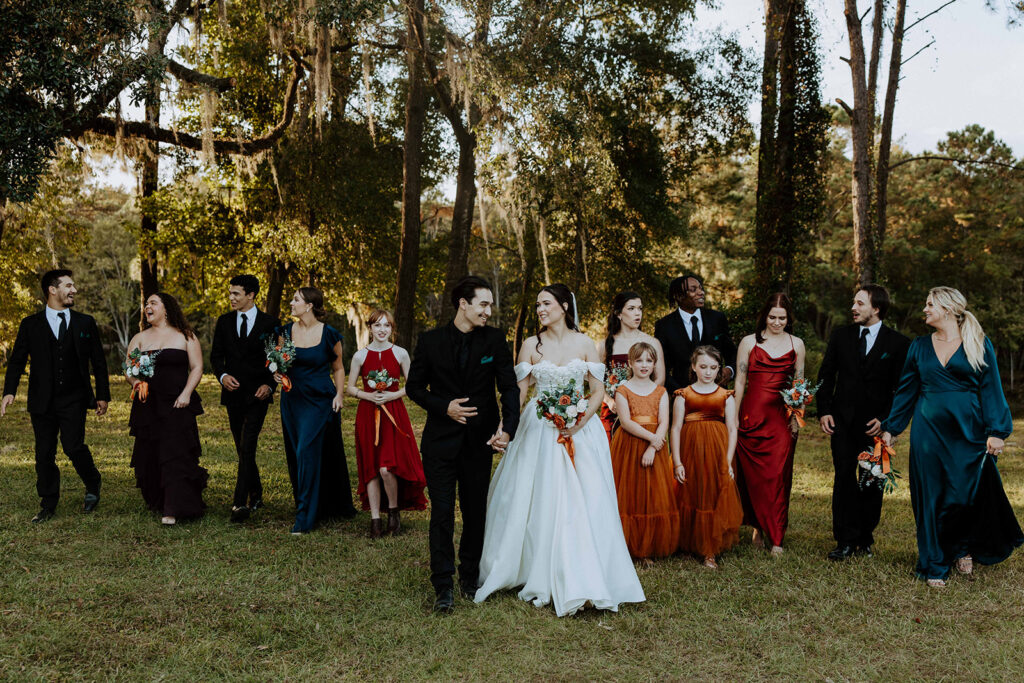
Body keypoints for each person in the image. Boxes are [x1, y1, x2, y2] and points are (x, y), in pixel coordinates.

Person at [474, 284, 645, 617]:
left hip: (580, 428)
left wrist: (580, 421)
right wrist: (506, 429)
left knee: (586, 498)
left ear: (564, 306)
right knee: (533, 494)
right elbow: (519, 393)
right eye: (537, 304)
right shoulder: (529, 346)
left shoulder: (584, 344)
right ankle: (528, 565)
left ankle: (585, 568)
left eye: (546, 303)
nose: (540, 309)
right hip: (538, 427)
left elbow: (597, 390)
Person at [881, 286, 1022, 588]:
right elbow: (906, 392)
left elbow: (991, 389)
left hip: (967, 432)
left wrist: (997, 431)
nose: (925, 309)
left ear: (946, 308)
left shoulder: (978, 343)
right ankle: (933, 562)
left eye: (930, 304)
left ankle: (961, 547)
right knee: (930, 496)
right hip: (927, 433)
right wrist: (891, 428)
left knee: (962, 494)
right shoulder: (918, 347)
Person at [406, 275, 521, 614]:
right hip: (440, 443)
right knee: (441, 514)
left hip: (479, 441)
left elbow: (509, 388)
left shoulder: (496, 340)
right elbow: (414, 388)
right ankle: (443, 585)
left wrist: (508, 427)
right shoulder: (430, 342)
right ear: (464, 304)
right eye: (483, 304)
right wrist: (445, 407)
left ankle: (469, 577)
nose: (489, 310)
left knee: (474, 513)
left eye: (490, 304)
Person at [2, 269, 109, 522]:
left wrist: (102, 395)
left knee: (73, 447)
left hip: (75, 397)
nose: (74, 290)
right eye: (69, 285)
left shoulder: (85, 322)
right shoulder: (30, 324)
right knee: (44, 453)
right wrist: (9, 391)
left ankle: (93, 483)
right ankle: (48, 503)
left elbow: (99, 362)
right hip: (42, 399)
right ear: (52, 290)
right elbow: (16, 361)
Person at [817, 285, 910, 561]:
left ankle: (865, 539)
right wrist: (824, 411)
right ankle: (844, 540)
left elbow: (901, 389)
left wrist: (886, 420)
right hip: (842, 424)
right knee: (843, 479)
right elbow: (826, 376)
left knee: (872, 480)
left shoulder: (898, 343)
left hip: (876, 428)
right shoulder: (841, 336)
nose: (853, 308)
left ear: (876, 308)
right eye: (853, 302)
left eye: (859, 303)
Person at [274, 287, 357, 535]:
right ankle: (317, 504)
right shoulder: (285, 333)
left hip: (321, 401)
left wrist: (339, 395)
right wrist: (278, 373)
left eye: (296, 299)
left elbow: (339, 368)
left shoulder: (330, 334)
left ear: (309, 305)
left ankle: (304, 516)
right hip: (292, 400)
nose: (291, 303)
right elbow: (279, 362)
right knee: (297, 453)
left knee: (306, 451)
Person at [733, 292, 806, 555]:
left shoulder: (796, 344)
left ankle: (777, 536)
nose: (777, 322)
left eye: (782, 318)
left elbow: (799, 384)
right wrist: (734, 414)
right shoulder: (748, 342)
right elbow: (740, 381)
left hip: (781, 420)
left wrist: (797, 417)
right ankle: (758, 527)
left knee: (778, 476)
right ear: (764, 316)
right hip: (751, 416)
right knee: (753, 476)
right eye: (772, 317)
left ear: (789, 319)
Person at [126, 292, 208, 525]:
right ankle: (159, 499)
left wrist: (186, 394)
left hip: (177, 402)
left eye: (153, 303)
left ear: (166, 308)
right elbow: (129, 370)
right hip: (147, 405)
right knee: (151, 453)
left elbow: (197, 367)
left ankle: (173, 507)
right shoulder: (139, 338)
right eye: (146, 303)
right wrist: (136, 383)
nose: (147, 306)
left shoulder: (186, 336)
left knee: (175, 453)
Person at [347, 308, 427, 538]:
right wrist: (368, 395)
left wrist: (392, 395)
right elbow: (351, 387)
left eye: (387, 326)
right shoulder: (360, 356)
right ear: (370, 328)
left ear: (392, 329)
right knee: (371, 468)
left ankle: (393, 511)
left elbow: (412, 386)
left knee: (386, 467)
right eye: (377, 325)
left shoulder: (400, 353)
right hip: (367, 414)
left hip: (393, 413)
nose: (382, 330)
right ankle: (375, 519)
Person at [210, 274, 279, 523]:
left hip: (258, 396)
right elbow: (216, 357)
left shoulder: (271, 323)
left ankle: (240, 503)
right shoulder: (224, 321)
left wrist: (270, 385)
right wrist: (223, 375)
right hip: (232, 394)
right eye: (230, 293)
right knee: (242, 449)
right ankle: (256, 493)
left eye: (236, 293)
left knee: (248, 445)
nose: (231, 298)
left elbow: (277, 358)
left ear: (251, 295)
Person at [670, 346, 743, 569]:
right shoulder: (684, 395)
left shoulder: (725, 396)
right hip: (690, 448)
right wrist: (677, 461)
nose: (708, 372)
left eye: (713, 367)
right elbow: (675, 428)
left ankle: (709, 549)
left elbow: (732, 429)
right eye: (703, 367)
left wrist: (729, 460)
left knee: (711, 492)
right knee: (689, 491)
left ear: (719, 369)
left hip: (716, 449)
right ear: (693, 367)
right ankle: (687, 543)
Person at [609, 341, 678, 560]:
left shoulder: (661, 391)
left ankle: (649, 544)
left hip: (654, 447)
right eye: (639, 361)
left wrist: (653, 447)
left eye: (649, 360)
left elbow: (664, 421)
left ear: (655, 363)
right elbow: (626, 422)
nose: (644, 365)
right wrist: (653, 439)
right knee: (630, 492)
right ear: (630, 363)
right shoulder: (623, 390)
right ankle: (628, 545)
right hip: (629, 444)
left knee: (652, 493)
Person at [654, 274, 737, 394]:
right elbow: (662, 368)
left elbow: (732, 353)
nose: (701, 292)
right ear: (678, 296)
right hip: (682, 399)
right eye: (693, 290)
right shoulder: (664, 326)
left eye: (701, 288)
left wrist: (730, 370)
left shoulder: (717, 319)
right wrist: (679, 392)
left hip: (718, 395)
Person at [599, 292, 665, 440]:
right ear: (618, 314)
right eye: (631, 308)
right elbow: (596, 382)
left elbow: (660, 379)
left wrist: (641, 401)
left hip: (644, 412)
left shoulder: (652, 343)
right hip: (612, 413)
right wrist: (609, 401)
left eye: (640, 308)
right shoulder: (604, 345)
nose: (637, 313)